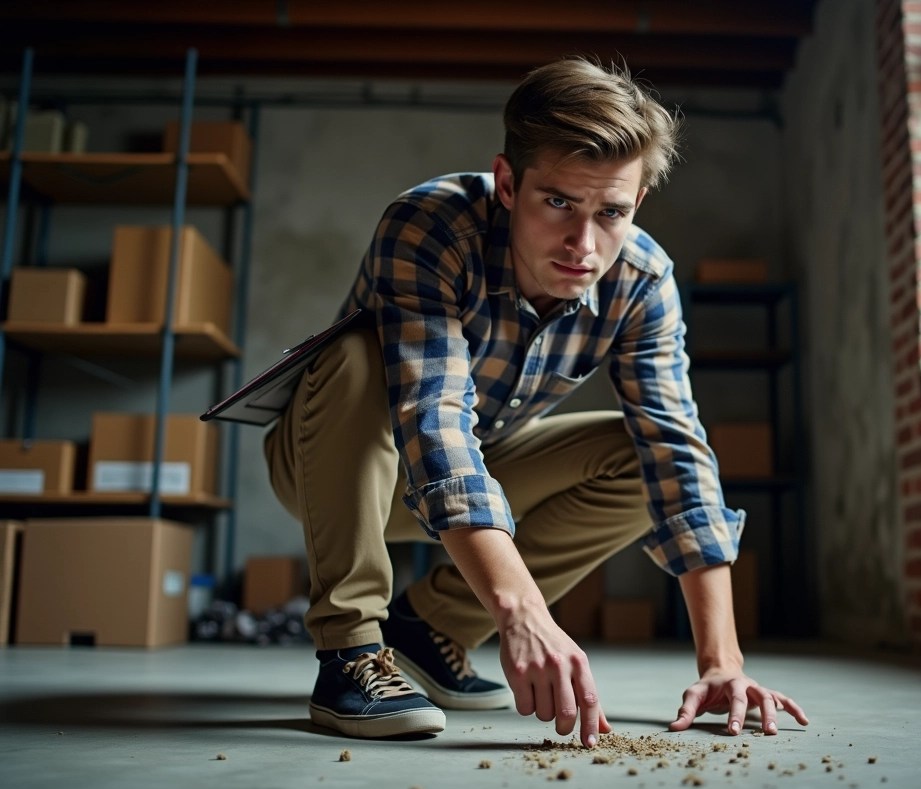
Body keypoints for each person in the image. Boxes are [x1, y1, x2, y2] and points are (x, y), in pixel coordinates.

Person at [263, 57, 808, 746]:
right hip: (337, 461)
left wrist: (722, 661)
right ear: (508, 184)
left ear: (636, 204)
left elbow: (678, 454)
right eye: (557, 203)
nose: (584, 244)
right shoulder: (431, 227)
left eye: (609, 211)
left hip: (481, 468)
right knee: (351, 356)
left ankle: (430, 632)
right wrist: (523, 609)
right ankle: (351, 651)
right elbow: (433, 423)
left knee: (641, 455)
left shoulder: (641, 281)